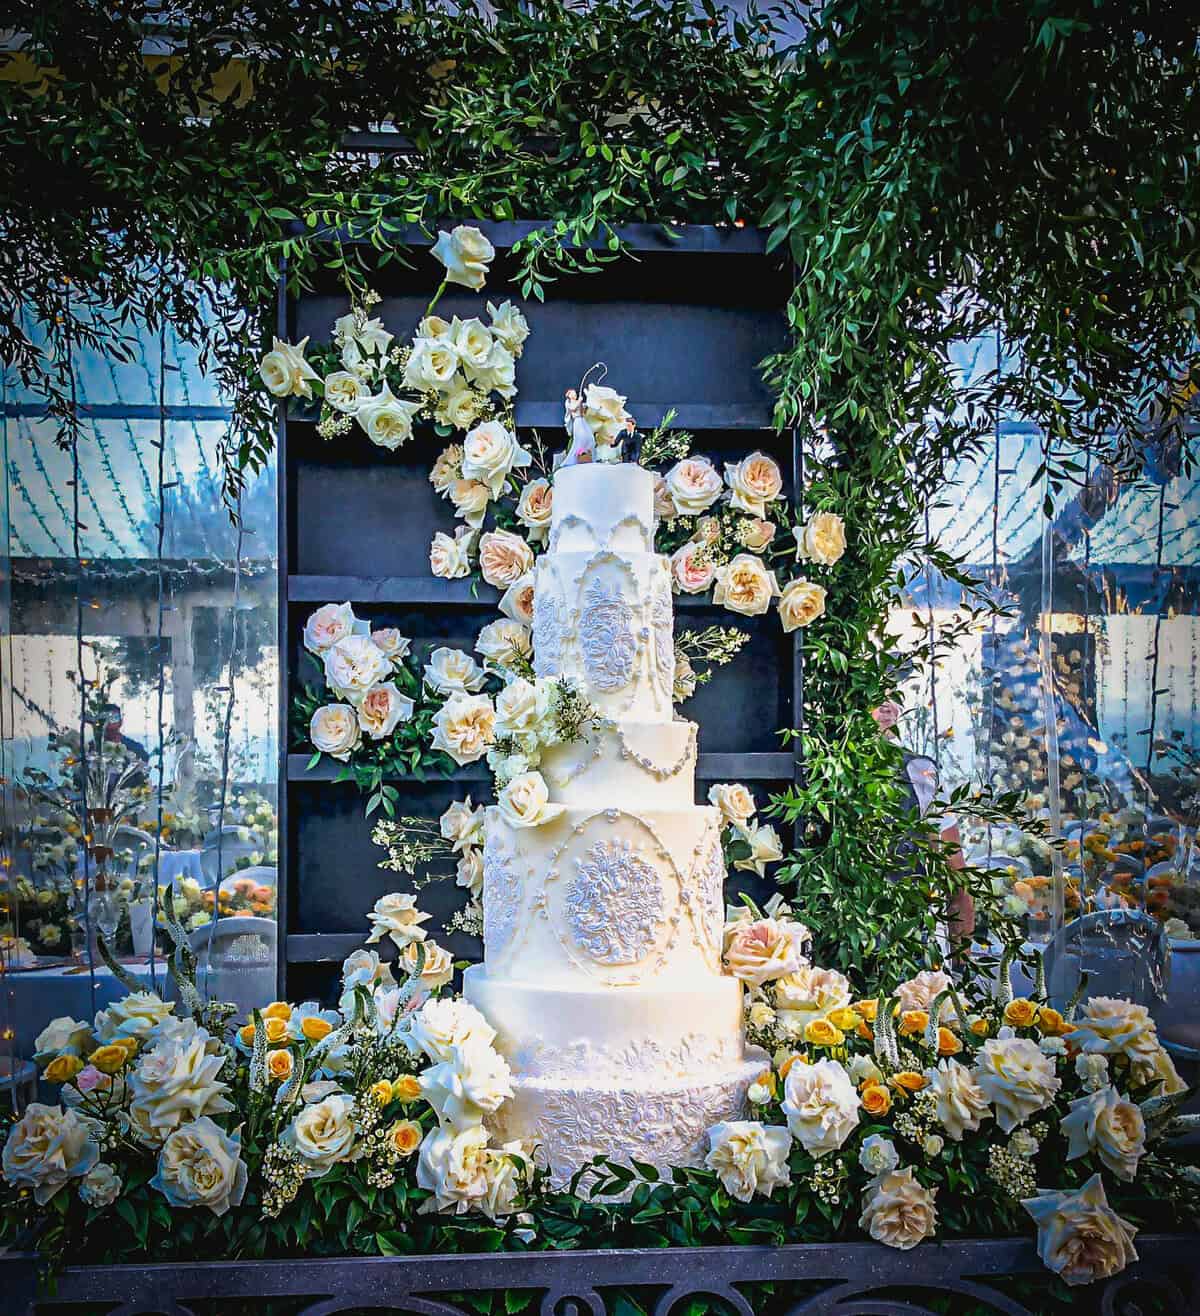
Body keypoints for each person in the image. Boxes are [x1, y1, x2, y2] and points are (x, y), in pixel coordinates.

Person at [872, 699, 974, 953]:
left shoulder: (919, 772)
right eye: (876, 694)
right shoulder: (824, 772)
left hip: (905, 946)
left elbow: (956, 879)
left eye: (892, 694)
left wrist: (963, 971)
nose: (886, 705)